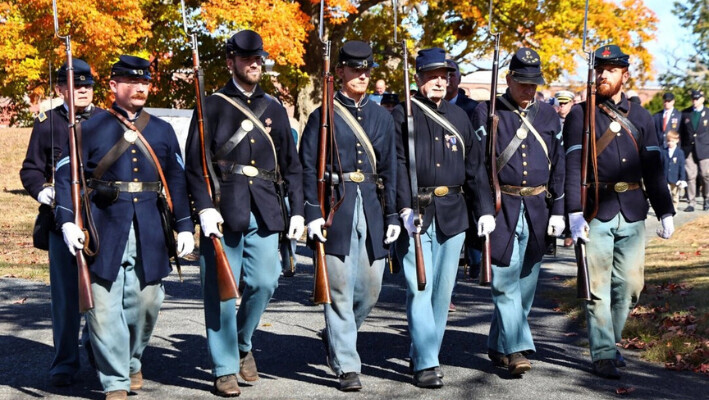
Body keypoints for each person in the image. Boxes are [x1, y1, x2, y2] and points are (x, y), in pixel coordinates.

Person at [55, 55, 195, 400]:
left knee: (146, 304)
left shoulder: (161, 130)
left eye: (145, 82)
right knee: (102, 308)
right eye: (132, 82)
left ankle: (132, 361)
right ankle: (115, 380)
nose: (141, 87)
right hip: (103, 229)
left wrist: (185, 226)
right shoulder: (88, 128)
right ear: (114, 86)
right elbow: (64, 176)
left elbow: (176, 178)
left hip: (150, 229)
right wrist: (67, 220)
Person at [184, 30, 304, 397]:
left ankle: (241, 342)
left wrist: (297, 210)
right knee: (220, 290)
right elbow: (194, 165)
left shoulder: (275, 108)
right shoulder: (211, 105)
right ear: (230, 61)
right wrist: (203, 208)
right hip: (224, 209)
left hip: (266, 209)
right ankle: (223, 368)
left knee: (266, 282)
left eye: (258, 59)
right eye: (247, 58)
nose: (255, 64)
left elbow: (292, 166)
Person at [564, 45, 675, 380]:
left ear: (625, 75)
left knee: (629, 285)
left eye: (610, 70)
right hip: (595, 210)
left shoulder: (640, 116)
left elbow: (654, 168)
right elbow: (571, 167)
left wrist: (666, 211)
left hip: (633, 209)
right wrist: (573, 212)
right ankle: (603, 353)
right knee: (596, 285)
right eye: (599, 69)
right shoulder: (579, 114)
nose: (603, 76)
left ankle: (610, 343)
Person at [393, 47, 495, 388]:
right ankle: (425, 362)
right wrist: (403, 208)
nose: (440, 81)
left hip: (453, 212)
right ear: (419, 78)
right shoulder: (402, 115)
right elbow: (396, 166)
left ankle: (426, 353)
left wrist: (484, 210)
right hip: (418, 212)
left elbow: (475, 169)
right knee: (419, 287)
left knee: (441, 293)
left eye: (444, 76)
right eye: (432, 76)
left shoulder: (459, 117)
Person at [300, 40, 399, 392]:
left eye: (365, 70)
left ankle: (338, 335)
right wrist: (312, 212)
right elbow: (307, 167)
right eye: (354, 69)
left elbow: (391, 169)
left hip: (371, 207)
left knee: (370, 290)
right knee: (339, 289)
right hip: (336, 210)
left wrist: (393, 216)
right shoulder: (322, 115)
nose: (360, 75)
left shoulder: (381, 117)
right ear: (339, 71)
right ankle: (346, 364)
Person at [471, 48, 565, 377]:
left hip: (538, 207)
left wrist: (560, 210)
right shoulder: (487, 112)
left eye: (534, 84)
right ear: (508, 79)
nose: (529, 90)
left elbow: (560, 164)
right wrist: (483, 208)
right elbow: (479, 167)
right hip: (502, 209)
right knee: (504, 284)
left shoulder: (549, 115)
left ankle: (499, 345)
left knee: (525, 288)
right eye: (523, 83)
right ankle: (517, 349)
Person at [19, 58, 100, 388]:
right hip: (60, 221)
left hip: (102, 219)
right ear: (59, 89)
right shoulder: (47, 123)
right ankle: (65, 360)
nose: (82, 90)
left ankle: (98, 347)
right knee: (66, 297)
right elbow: (30, 170)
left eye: (88, 85)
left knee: (105, 292)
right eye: (75, 84)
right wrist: (45, 192)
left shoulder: (108, 122)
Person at [679, 89, 709, 211]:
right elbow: (681, 132)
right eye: (693, 99)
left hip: (704, 148)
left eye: (697, 99)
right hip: (689, 148)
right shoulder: (686, 113)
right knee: (690, 176)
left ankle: (707, 198)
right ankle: (691, 202)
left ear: (702, 99)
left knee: (705, 175)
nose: (695, 101)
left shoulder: (708, 113)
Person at [554, 90, 575, 247]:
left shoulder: (576, 120)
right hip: (554, 163)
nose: (562, 106)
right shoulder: (551, 120)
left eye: (565, 103)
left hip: (570, 163)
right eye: (560, 103)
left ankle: (569, 231)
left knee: (569, 196)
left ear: (572, 103)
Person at [662, 131, 687, 209]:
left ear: (677, 140)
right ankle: (666, 208)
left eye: (672, 141)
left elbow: (681, 167)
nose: (670, 143)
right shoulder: (663, 151)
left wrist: (682, 179)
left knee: (674, 195)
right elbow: (661, 165)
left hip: (675, 178)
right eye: (668, 141)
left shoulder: (680, 152)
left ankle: (674, 209)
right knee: (666, 194)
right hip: (665, 177)